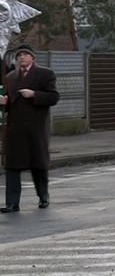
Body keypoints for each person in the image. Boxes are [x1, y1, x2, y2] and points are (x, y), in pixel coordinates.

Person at [0, 44, 59, 213]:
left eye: (25, 55)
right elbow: (11, 102)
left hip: (36, 127)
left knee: (38, 164)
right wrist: (5, 102)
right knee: (12, 166)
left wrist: (34, 94)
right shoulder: (11, 77)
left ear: (32, 57)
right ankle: (12, 203)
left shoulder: (45, 74)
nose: (22, 58)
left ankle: (43, 197)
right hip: (15, 128)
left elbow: (54, 97)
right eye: (19, 55)